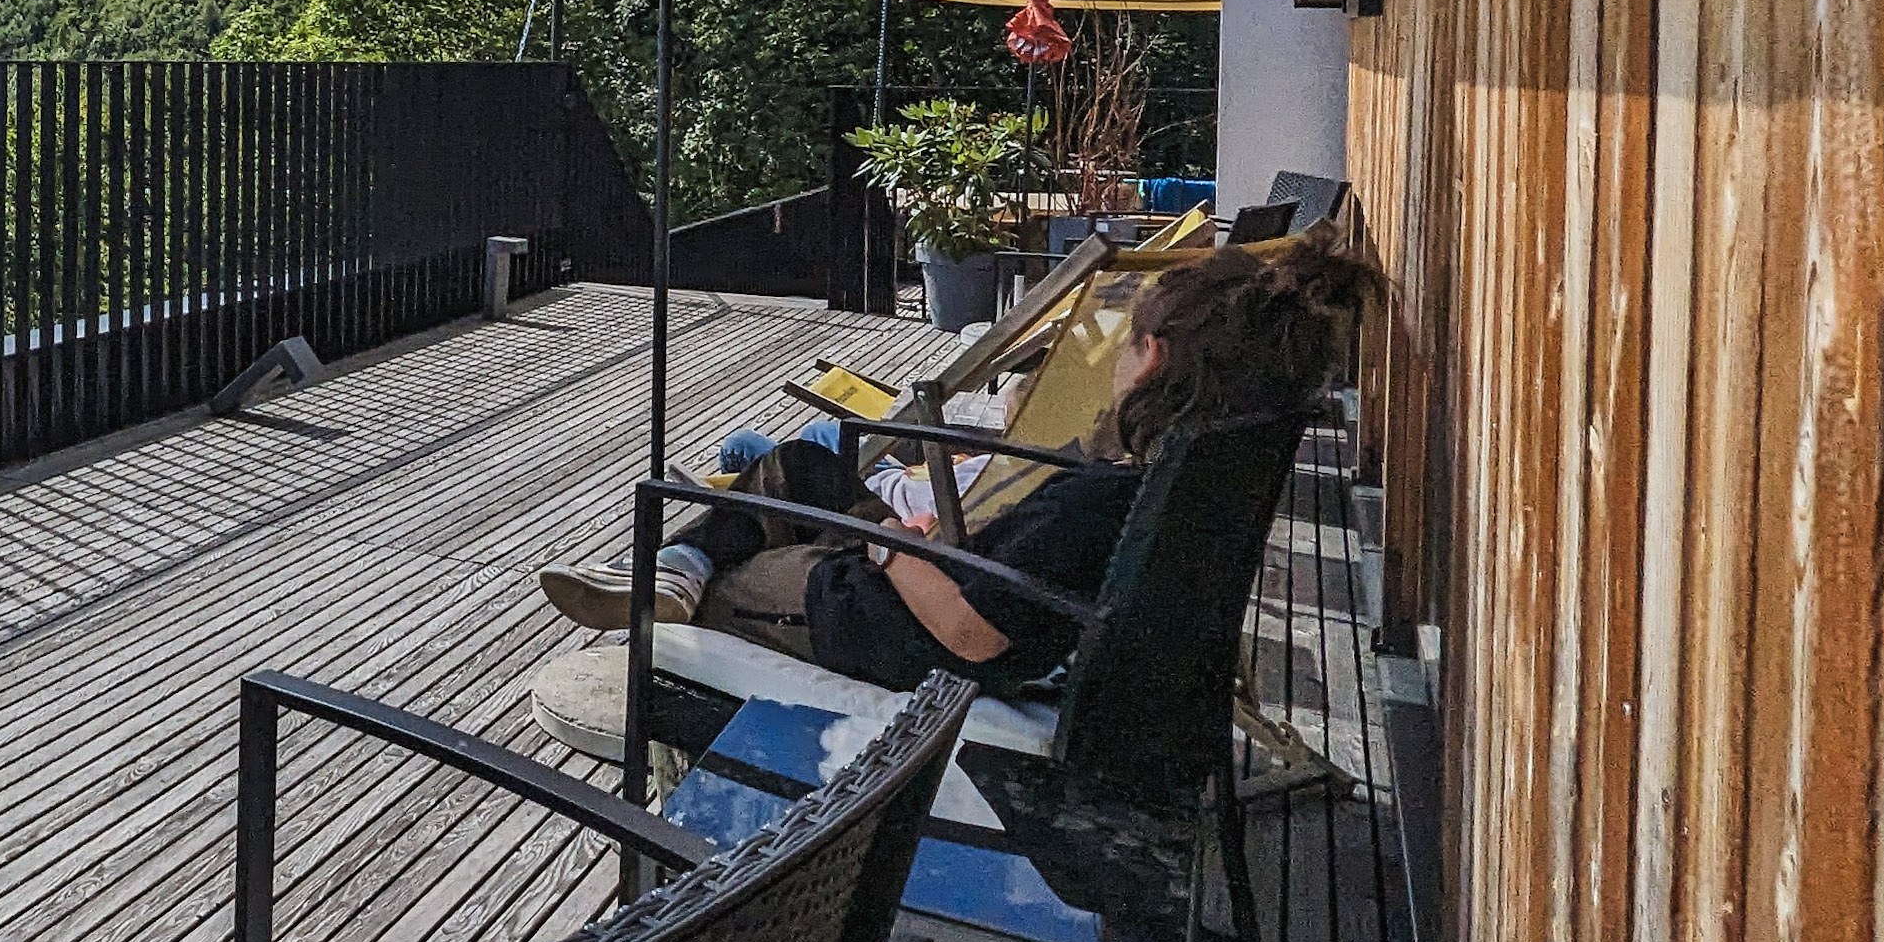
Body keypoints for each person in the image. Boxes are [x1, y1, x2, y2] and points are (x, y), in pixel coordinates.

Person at [534, 237, 1379, 694]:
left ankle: (686, 583)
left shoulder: (1098, 496)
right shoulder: (1172, 472)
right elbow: (1015, 585)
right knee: (797, 462)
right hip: (945, 573)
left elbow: (975, 633)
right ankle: (677, 566)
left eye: (1124, 350)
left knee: (742, 563)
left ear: (1152, 357)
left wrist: (898, 548)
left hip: (895, 621)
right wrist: (927, 543)